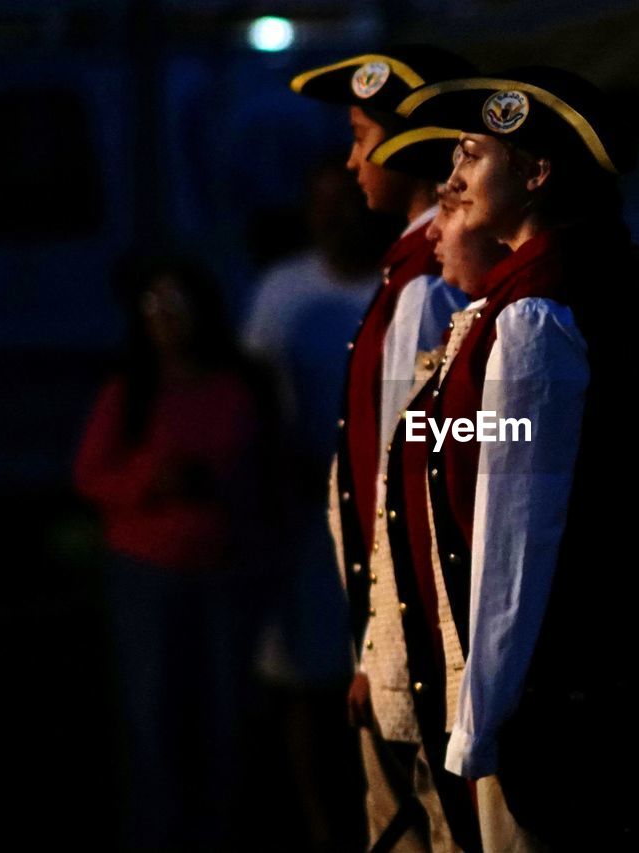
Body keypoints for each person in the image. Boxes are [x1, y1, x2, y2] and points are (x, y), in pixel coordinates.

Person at [381, 66, 639, 849]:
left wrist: (479, 721)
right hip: (556, 682)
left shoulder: (535, 319)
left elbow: (515, 541)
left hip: (546, 693)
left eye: (473, 155)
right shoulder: (539, 298)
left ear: (536, 173)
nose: (451, 177)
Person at [290, 45, 478, 850]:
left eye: (364, 136)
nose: (351, 158)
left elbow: (412, 479)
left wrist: (384, 646)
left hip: (416, 630)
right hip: (396, 620)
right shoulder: (410, 275)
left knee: (423, 828)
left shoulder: (429, 285)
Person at [72, 256, 280, 852]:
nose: (164, 320)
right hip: (147, 575)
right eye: (153, 308)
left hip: (224, 572)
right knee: (154, 715)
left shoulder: (238, 386)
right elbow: (90, 476)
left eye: (176, 306)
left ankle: (219, 833)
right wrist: (150, 479)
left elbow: (263, 474)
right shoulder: (130, 392)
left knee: (223, 716)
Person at [240, 156, 398, 852]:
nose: (334, 216)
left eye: (347, 201)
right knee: (307, 680)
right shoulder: (281, 292)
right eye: (321, 203)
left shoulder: (406, 287)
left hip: (388, 522)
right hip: (306, 524)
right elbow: (255, 401)